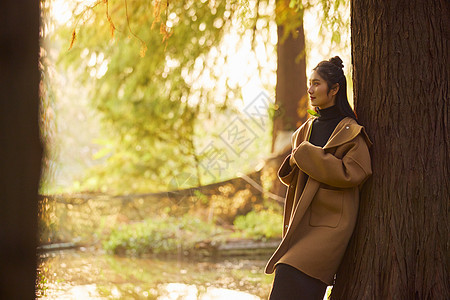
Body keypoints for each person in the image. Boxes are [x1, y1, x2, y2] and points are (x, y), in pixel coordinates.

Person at [265, 56, 373, 300]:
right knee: (287, 277)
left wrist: (303, 154)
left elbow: (354, 173)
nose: (310, 90)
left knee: (288, 272)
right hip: (301, 223)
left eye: (316, 84)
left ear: (334, 89)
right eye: (309, 83)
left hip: (330, 226)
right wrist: (294, 160)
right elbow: (294, 175)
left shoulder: (351, 130)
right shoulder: (307, 129)